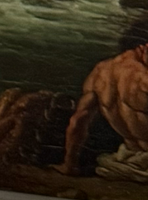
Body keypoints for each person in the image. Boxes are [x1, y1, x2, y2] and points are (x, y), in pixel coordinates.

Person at [54, 42, 148, 181]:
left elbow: (78, 120)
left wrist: (70, 164)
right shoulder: (143, 79)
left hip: (126, 157)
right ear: (144, 47)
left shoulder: (100, 71)